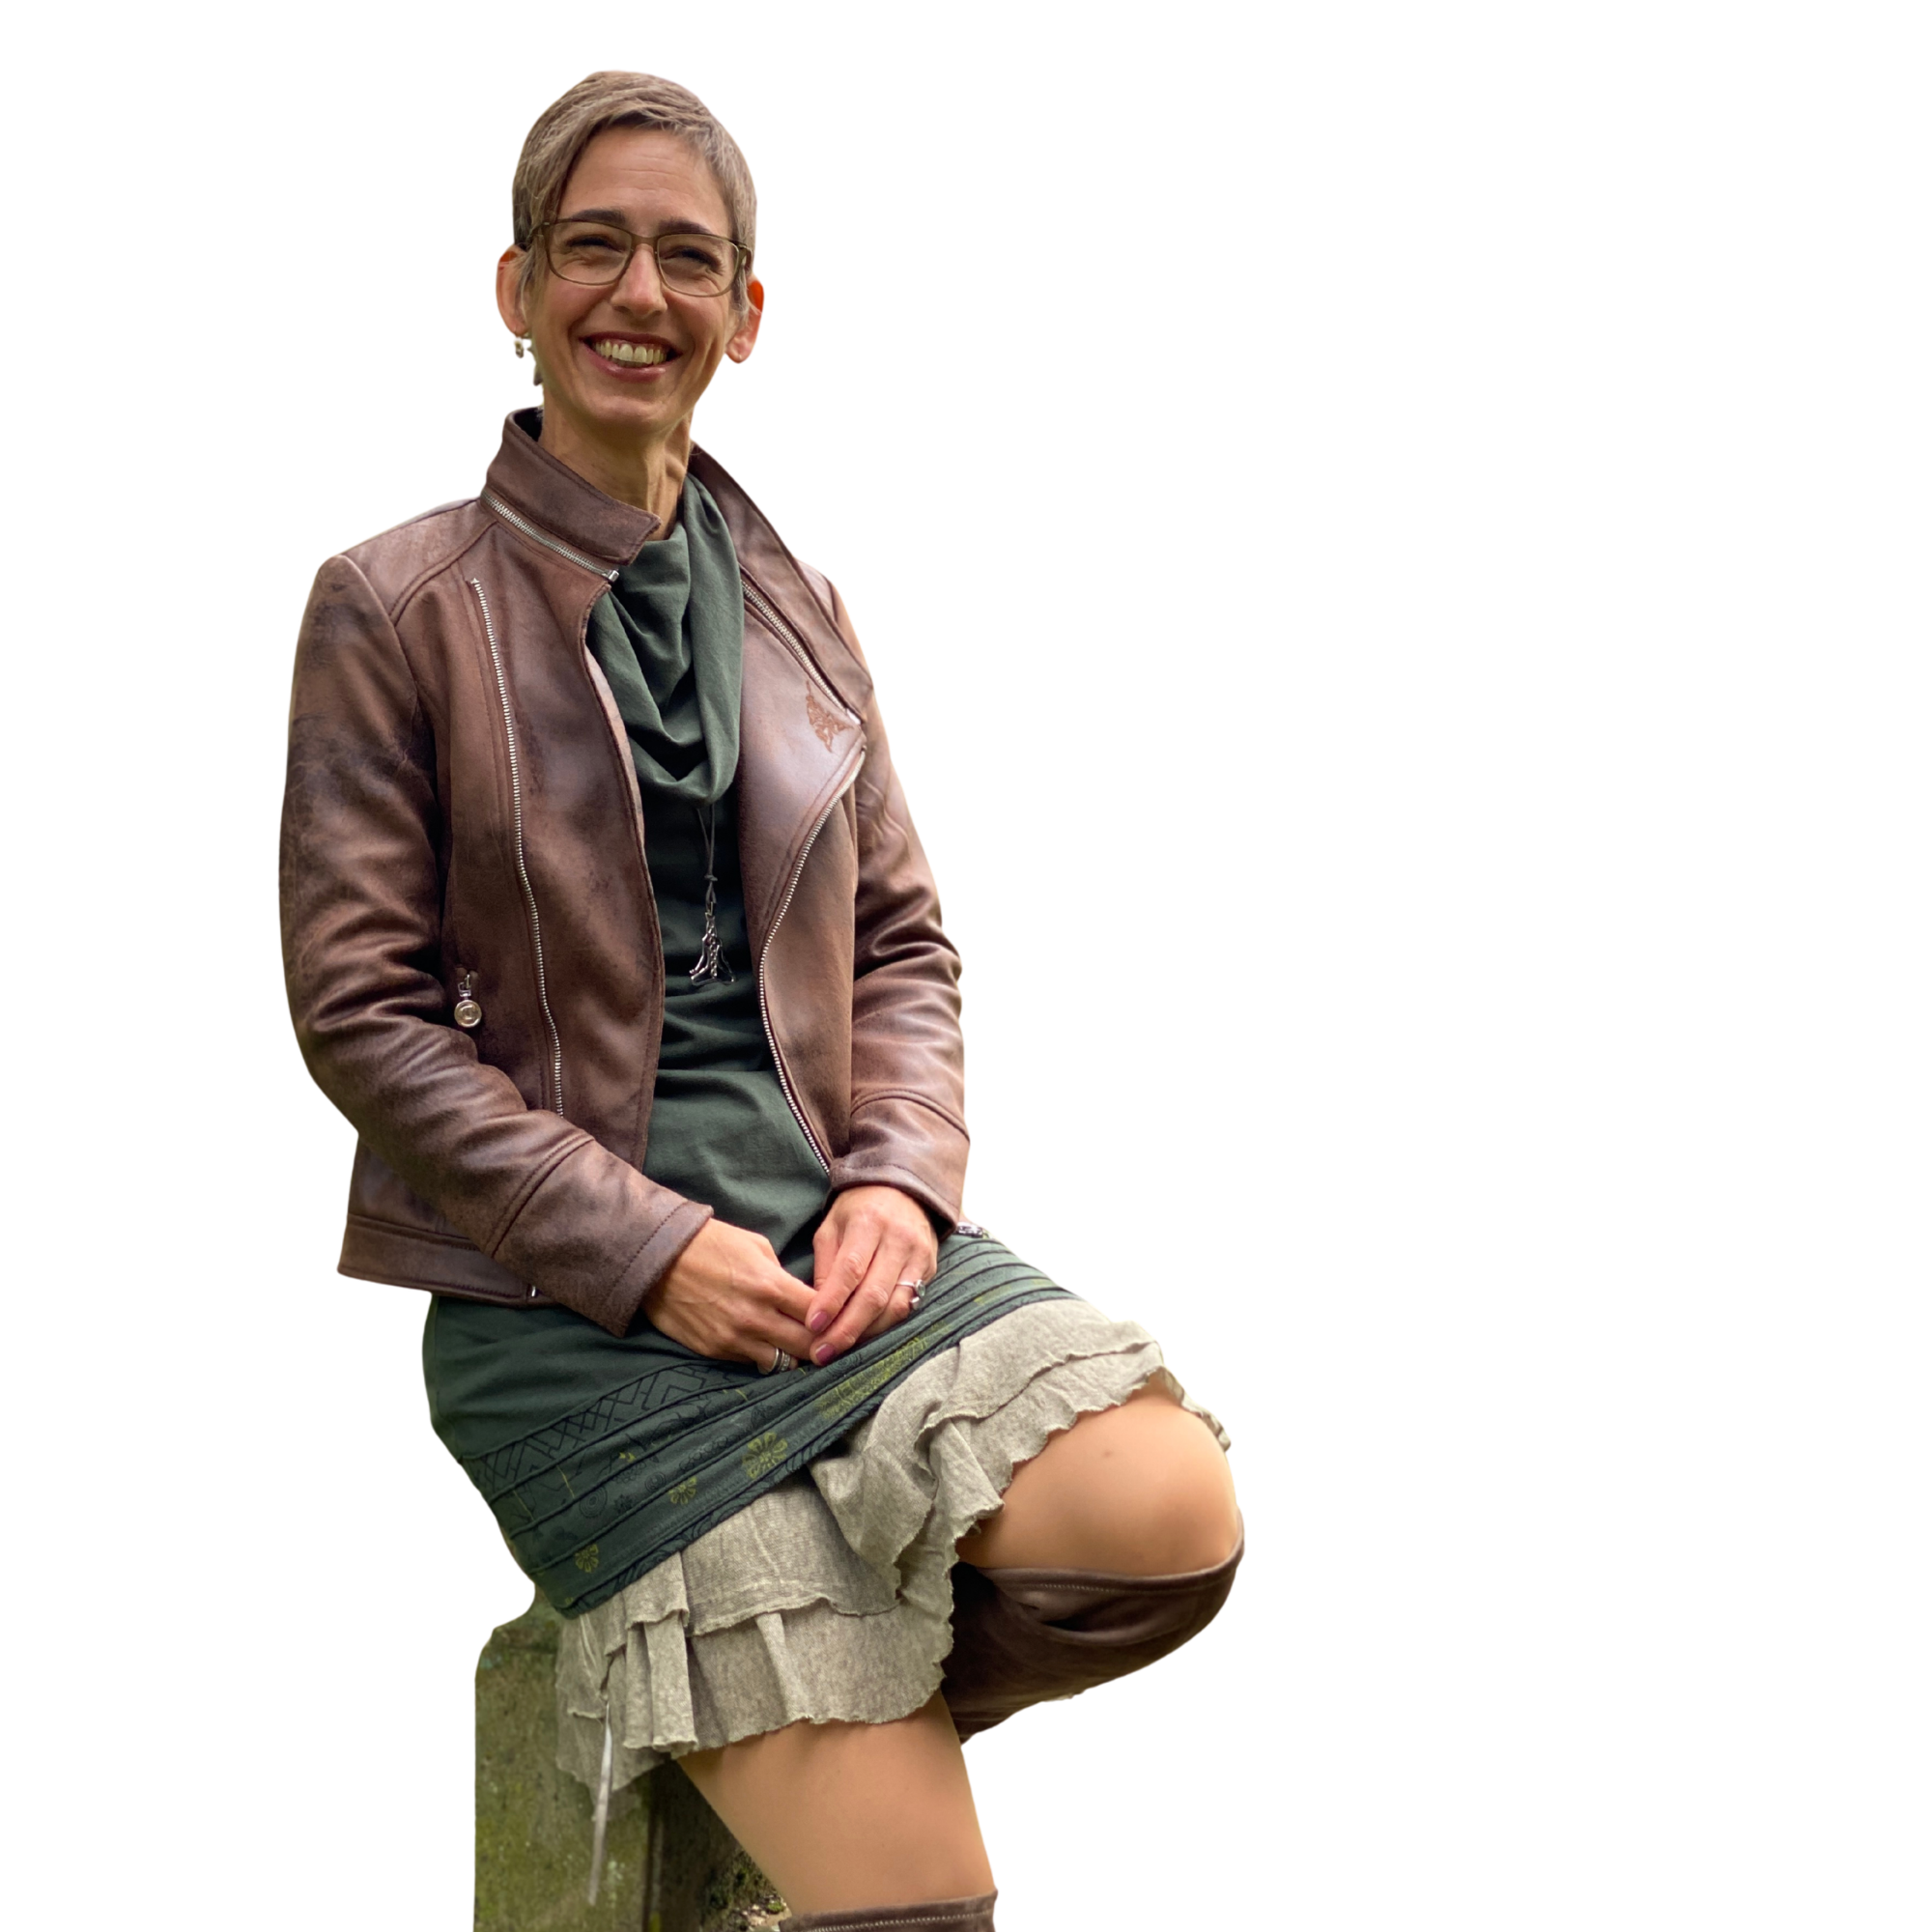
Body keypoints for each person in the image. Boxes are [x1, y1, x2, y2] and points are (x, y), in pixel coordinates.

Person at [280, 71, 1242, 1931]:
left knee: (1166, 1516)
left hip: (835, 1262)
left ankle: (784, 1693)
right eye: (595, 247)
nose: (639, 292)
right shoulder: (392, 606)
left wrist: (900, 1184)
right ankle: (761, 1704)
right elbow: (361, 1013)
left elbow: (906, 947)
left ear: (747, 313)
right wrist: (648, 1251)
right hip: (569, 1315)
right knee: (914, 1910)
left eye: (689, 259)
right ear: (516, 288)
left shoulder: (801, 603)